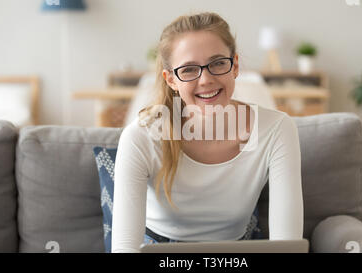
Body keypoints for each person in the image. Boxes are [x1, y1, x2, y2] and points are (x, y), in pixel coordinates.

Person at [112, 12, 303, 253]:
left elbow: (287, 245)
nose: (206, 79)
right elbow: (125, 249)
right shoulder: (141, 137)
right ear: (171, 80)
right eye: (189, 69)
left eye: (218, 63)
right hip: (159, 249)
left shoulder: (277, 130)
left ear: (234, 66)